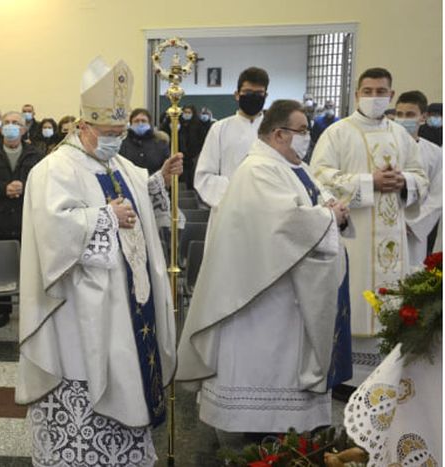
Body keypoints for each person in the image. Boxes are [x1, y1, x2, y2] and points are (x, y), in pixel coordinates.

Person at [16, 56, 181, 466]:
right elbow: (51, 231)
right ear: (83, 127)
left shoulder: (119, 163)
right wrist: (106, 217)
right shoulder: (54, 169)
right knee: (87, 379)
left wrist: (159, 180)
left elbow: (139, 197)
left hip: (127, 305)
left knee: (129, 370)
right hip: (79, 310)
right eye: (108, 132)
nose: (116, 139)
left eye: (121, 132)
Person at [177, 99, 351, 437]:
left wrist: (331, 209)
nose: (307, 137)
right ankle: (260, 437)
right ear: (279, 134)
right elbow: (282, 223)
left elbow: (310, 203)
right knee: (265, 378)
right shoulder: (258, 169)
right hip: (262, 299)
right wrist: (330, 216)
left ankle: (277, 436)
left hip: (286, 296)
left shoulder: (292, 166)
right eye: (302, 130)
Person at [310, 67, 428, 385]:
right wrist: (369, 182)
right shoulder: (338, 133)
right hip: (355, 238)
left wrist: (405, 181)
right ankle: (348, 379)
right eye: (368, 91)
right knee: (353, 299)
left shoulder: (400, 134)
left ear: (390, 95)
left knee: (391, 305)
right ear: (357, 93)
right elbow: (319, 176)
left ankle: (387, 374)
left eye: (381, 92)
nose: (374, 97)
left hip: (393, 237)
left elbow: (421, 175)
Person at [0, 111, 43, 328]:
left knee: (31, 269)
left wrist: (25, 187)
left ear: (24, 129)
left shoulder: (36, 155)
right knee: (1, 267)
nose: (11, 126)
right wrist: (3, 188)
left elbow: (44, 185)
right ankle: (2, 311)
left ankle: (30, 311)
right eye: (7, 123)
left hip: (27, 220)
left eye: (16, 123)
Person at [194, 67, 269, 208]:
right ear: (237, 94)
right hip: (228, 208)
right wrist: (237, 192)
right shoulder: (219, 128)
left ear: (266, 95)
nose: (253, 97)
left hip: (266, 208)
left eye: (259, 93)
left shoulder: (275, 130)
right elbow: (204, 176)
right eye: (248, 92)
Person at [394, 91, 442, 266]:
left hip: (413, 231)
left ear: (423, 117)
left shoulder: (435, 153)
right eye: (399, 114)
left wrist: (412, 224)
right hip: (382, 225)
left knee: (410, 275)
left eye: (410, 114)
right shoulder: (382, 146)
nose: (403, 119)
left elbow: (437, 196)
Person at [119, 108, 170, 174]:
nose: (140, 123)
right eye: (136, 121)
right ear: (131, 124)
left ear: (149, 123)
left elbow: (167, 168)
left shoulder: (160, 144)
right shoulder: (122, 145)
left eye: (143, 121)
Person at [178, 104, 206, 189]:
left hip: (194, 155)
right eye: (185, 112)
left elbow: (202, 139)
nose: (186, 114)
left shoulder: (198, 124)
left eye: (189, 112)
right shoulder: (178, 124)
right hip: (180, 155)